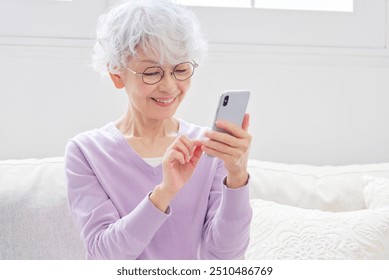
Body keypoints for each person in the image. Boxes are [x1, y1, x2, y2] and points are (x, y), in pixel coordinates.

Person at [65, 0, 252, 260]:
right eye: (152, 72)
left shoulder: (209, 147)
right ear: (117, 74)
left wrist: (237, 177)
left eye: (180, 70)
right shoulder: (87, 152)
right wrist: (164, 193)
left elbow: (226, 255)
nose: (169, 87)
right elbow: (103, 255)